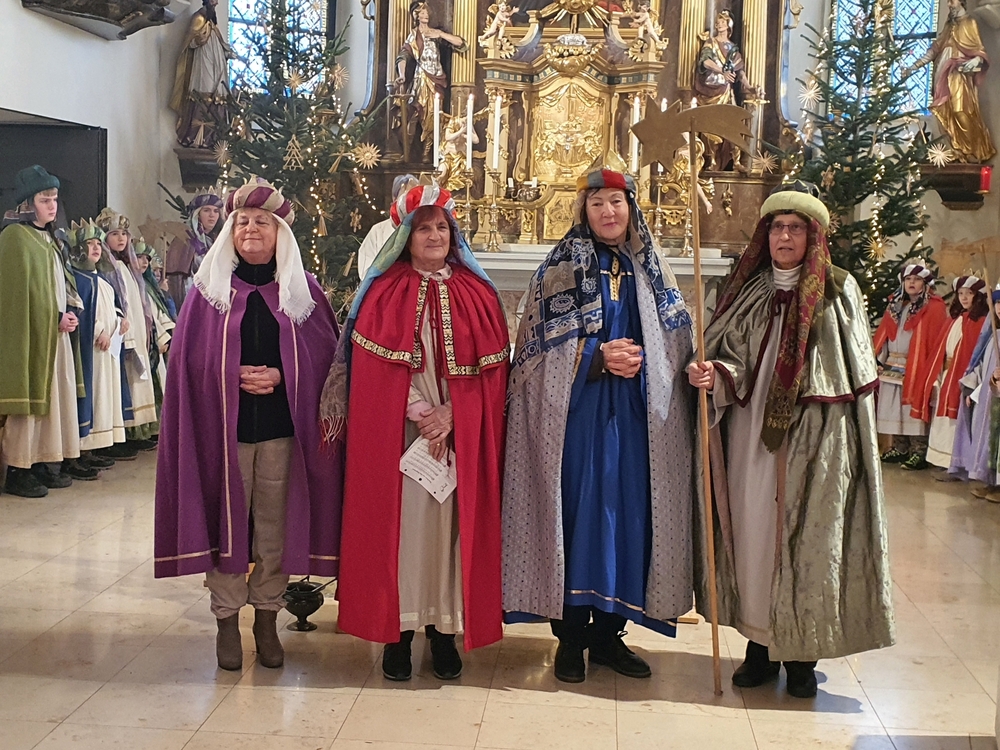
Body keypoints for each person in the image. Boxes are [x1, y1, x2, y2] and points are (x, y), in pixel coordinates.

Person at [687, 181, 895, 699]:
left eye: (795, 228)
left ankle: (802, 655)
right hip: (751, 440)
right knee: (755, 535)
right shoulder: (748, 289)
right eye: (777, 227)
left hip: (816, 439)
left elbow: (853, 371)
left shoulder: (838, 291)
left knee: (808, 543)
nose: (784, 237)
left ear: (813, 236)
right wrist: (716, 375)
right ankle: (759, 648)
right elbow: (730, 354)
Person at [503, 153, 695, 684]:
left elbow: (677, 343)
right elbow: (533, 355)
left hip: (637, 421)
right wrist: (594, 358)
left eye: (616, 201)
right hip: (577, 420)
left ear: (631, 208)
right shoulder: (560, 268)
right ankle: (570, 640)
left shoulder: (651, 271)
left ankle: (610, 636)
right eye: (597, 203)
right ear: (582, 211)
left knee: (628, 520)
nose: (608, 211)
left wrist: (684, 366)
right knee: (577, 519)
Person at [320, 184, 509, 681]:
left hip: (459, 434)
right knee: (402, 533)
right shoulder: (384, 292)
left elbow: (493, 373)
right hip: (400, 434)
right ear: (406, 235)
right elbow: (372, 372)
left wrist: (453, 415)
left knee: (451, 534)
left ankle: (443, 633)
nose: (434, 236)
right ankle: (399, 635)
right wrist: (421, 411)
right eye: (423, 228)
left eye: (442, 227)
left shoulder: (478, 293)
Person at [155, 178, 343, 671]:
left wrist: (281, 374)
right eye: (242, 222)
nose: (251, 229)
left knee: (274, 528)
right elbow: (187, 362)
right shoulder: (208, 292)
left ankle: (266, 617)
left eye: (262, 222)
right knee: (227, 526)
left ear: (281, 233)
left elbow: (327, 362)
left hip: (282, 432)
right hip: (223, 435)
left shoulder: (304, 291)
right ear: (230, 231)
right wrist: (230, 373)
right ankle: (225, 618)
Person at [0, 166, 96, 498]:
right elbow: (15, 295)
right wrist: (52, 317)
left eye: (55, 199)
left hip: (55, 334)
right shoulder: (15, 237)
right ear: (27, 203)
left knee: (54, 400)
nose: (52, 206)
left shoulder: (51, 239)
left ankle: (43, 461)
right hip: (30, 336)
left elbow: (59, 284)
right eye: (45, 200)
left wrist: (69, 312)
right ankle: (18, 468)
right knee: (29, 402)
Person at [874, 261, 950, 470]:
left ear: (925, 283)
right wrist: (878, 359)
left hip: (917, 364)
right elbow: (886, 333)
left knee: (912, 407)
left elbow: (935, 338)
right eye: (908, 279)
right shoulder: (896, 305)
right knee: (894, 407)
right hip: (893, 362)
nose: (912, 283)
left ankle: (919, 450)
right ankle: (900, 448)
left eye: (916, 279)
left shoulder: (934, 307)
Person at [97, 208, 159, 451]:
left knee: (137, 381)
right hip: (120, 332)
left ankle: (138, 430)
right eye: (114, 234)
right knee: (125, 382)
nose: (121, 238)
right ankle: (126, 433)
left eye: (124, 233)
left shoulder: (127, 266)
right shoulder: (107, 267)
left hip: (136, 330)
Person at [67, 221, 126, 468]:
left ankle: (95, 447)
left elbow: (111, 306)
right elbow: (82, 310)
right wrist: (99, 331)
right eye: (89, 244)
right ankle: (82, 448)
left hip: (108, 347)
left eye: (98, 244)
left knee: (104, 396)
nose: (95, 248)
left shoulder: (101, 279)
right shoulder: (78, 278)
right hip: (91, 348)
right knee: (91, 394)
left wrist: (120, 321)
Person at [906, 0, 996, 163]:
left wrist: (976, 60)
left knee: (961, 111)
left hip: (959, 76)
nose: (949, 4)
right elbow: (934, 51)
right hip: (942, 77)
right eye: (947, 1)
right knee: (945, 113)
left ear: (961, 2)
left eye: (952, 1)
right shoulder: (949, 26)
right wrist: (913, 67)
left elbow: (979, 50)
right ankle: (956, 150)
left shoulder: (970, 23)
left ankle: (970, 151)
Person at [916, 274, 988, 470]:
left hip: (962, 377)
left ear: (978, 296)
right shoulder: (954, 319)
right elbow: (941, 348)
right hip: (947, 373)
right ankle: (940, 460)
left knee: (956, 420)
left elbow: (973, 353)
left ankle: (954, 463)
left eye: (969, 293)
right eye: (960, 293)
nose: (964, 298)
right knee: (942, 420)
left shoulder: (980, 322)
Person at [395, 1, 466, 159]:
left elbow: (461, 44)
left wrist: (440, 34)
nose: (425, 15)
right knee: (415, 112)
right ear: (416, 15)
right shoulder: (414, 35)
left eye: (426, 12)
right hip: (421, 78)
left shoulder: (436, 33)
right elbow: (403, 56)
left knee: (434, 115)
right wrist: (402, 74)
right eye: (421, 12)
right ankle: (407, 150)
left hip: (437, 79)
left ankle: (427, 153)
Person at [949, 285, 1000, 501]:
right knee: (987, 439)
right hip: (988, 396)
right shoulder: (992, 335)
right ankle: (990, 481)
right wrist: (974, 389)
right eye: (997, 303)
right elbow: (980, 365)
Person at [693, 10, 757, 170]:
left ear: (729, 25)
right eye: (718, 21)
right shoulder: (711, 43)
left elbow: (740, 72)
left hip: (726, 91)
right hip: (711, 89)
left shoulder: (732, 48)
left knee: (733, 123)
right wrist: (722, 70)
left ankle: (736, 160)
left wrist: (749, 87)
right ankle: (711, 159)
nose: (719, 24)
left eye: (723, 21)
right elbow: (705, 61)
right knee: (712, 125)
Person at [169, 0, 233, 148]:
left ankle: (213, 137)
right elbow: (190, 43)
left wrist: (226, 52)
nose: (216, 3)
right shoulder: (198, 18)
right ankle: (196, 136)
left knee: (218, 94)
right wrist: (199, 38)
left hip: (216, 65)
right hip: (203, 63)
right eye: (213, 0)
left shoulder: (212, 22)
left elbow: (219, 43)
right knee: (204, 92)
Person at [165, 191, 223, 309]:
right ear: (198, 214)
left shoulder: (218, 239)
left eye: (216, 211)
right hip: (191, 294)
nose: (212, 215)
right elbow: (177, 275)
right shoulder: (184, 238)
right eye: (206, 210)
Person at [356, 174, 419, 281]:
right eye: (405, 197)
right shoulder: (378, 231)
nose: (409, 202)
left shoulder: (425, 230)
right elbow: (366, 269)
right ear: (395, 199)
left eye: (414, 197)